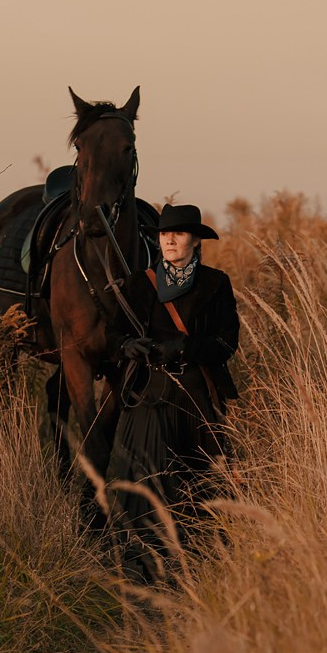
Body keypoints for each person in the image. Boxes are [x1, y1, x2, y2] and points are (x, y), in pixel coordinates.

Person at [105, 203, 240, 580]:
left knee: (199, 476)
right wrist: (127, 347)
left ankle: (197, 561)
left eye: (178, 233)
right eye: (164, 233)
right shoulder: (139, 283)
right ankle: (146, 564)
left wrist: (183, 348)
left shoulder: (216, 283)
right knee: (147, 476)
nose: (169, 240)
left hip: (196, 393)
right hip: (149, 390)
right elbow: (112, 336)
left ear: (196, 240)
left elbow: (227, 344)